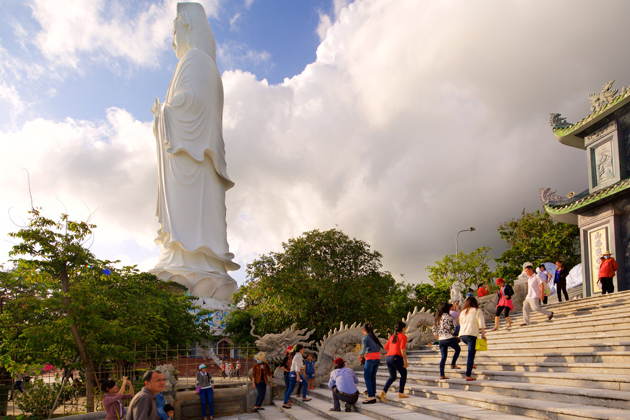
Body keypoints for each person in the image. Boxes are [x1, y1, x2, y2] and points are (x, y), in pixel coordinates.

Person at [379, 321, 409, 402]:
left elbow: (386, 347)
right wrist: (405, 360)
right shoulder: (403, 337)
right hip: (396, 357)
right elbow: (402, 348)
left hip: (388, 358)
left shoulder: (392, 336)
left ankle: (383, 391)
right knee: (403, 373)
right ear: (403, 328)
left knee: (392, 377)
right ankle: (401, 392)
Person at [458, 297, 487, 381]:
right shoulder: (477, 310)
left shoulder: (463, 312)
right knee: (470, 354)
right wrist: (483, 335)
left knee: (473, 350)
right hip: (471, 334)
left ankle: (472, 363)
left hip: (462, 335)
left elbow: (460, 323)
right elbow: (481, 323)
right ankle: (468, 375)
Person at [432, 302, 460, 380]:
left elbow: (433, 329)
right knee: (458, 349)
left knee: (443, 358)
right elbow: (453, 328)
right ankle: (453, 364)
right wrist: (452, 332)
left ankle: (442, 374)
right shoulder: (450, 316)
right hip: (448, 337)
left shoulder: (437, 318)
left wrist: (437, 337)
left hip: (441, 340)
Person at [520, 262, 554, 326]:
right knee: (525, 307)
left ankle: (549, 313)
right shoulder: (529, 278)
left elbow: (541, 284)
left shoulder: (537, 276)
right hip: (528, 296)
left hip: (535, 295)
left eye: (527, 271)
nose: (526, 272)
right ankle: (526, 322)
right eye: (525, 271)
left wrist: (541, 293)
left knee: (535, 308)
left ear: (531, 269)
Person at [358, 322, 383, 404]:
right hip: (377, 358)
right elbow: (379, 348)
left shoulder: (365, 338)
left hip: (370, 359)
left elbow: (363, 349)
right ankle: (372, 392)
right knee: (372, 377)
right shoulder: (375, 337)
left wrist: (359, 354)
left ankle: (371, 397)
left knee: (367, 377)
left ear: (364, 330)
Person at [282, 344, 311, 408]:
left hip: (291, 374)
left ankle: (285, 403)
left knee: (290, 389)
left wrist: (302, 373)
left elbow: (296, 366)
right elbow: (297, 367)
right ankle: (304, 397)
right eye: (303, 349)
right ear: (300, 349)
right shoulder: (298, 356)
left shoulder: (296, 355)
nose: (303, 350)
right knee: (305, 383)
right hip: (295, 374)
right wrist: (298, 376)